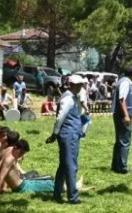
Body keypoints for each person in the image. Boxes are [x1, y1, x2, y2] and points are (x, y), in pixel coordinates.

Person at [0, 140, 83, 200]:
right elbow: (1, 177)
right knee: (49, 185)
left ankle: (71, 185)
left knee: (47, 180)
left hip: (23, 183)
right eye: (21, 152)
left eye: (23, 153)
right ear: (15, 148)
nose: (21, 155)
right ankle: (74, 186)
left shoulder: (6, 152)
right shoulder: (9, 160)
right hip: (23, 187)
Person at [45, 74, 85, 204]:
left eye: (81, 85)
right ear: (72, 85)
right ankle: (72, 197)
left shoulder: (72, 97)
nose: (80, 87)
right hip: (68, 135)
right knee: (71, 166)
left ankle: (57, 194)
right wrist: (55, 133)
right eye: (78, 85)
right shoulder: (68, 99)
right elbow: (60, 117)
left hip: (70, 134)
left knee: (64, 165)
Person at [111, 66, 132, 175]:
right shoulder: (126, 83)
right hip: (122, 115)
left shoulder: (122, 81)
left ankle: (116, 165)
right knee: (125, 141)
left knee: (120, 141)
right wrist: (126, 115)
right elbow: (122, 99)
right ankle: (122, 167)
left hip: (120, 114)